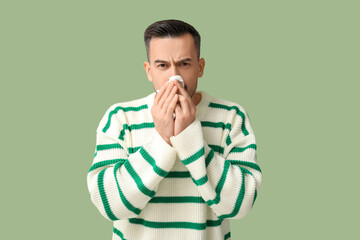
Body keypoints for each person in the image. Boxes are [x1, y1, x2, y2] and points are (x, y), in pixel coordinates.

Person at [87, 19, 262, 240]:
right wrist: (162, 139)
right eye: (162, 65)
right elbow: (110, 205)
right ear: (148, 71)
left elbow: (240, 205)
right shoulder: (120, 118)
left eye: (184, 64)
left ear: (200, 67)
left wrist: (189, 136)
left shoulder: (231, 117)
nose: (174, 77)